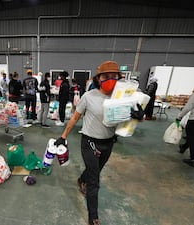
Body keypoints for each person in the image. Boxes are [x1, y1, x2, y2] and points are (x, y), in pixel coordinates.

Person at [54, 61, 144, 225]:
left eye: (114, 76)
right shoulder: (89, 97)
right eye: (106, 76)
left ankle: (82, 180)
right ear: (98, 78)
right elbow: (75, 117)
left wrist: (138, 117)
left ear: (119, 78)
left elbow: (127, 122)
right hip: (89, 142)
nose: (110, 79)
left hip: (108, 143)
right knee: (94, 181)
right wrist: (64, 136)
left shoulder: (122, 99)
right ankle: (93, 217)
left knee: (93, 171)